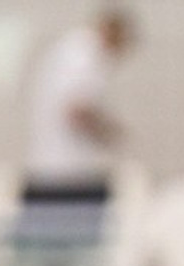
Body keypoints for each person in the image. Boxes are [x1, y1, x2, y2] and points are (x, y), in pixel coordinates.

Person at [25, 8, 136, 193]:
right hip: (65, 172)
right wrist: (108, 132)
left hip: (55, 167)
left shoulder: (73, 49)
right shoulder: (85, 55)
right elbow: (77, 112)